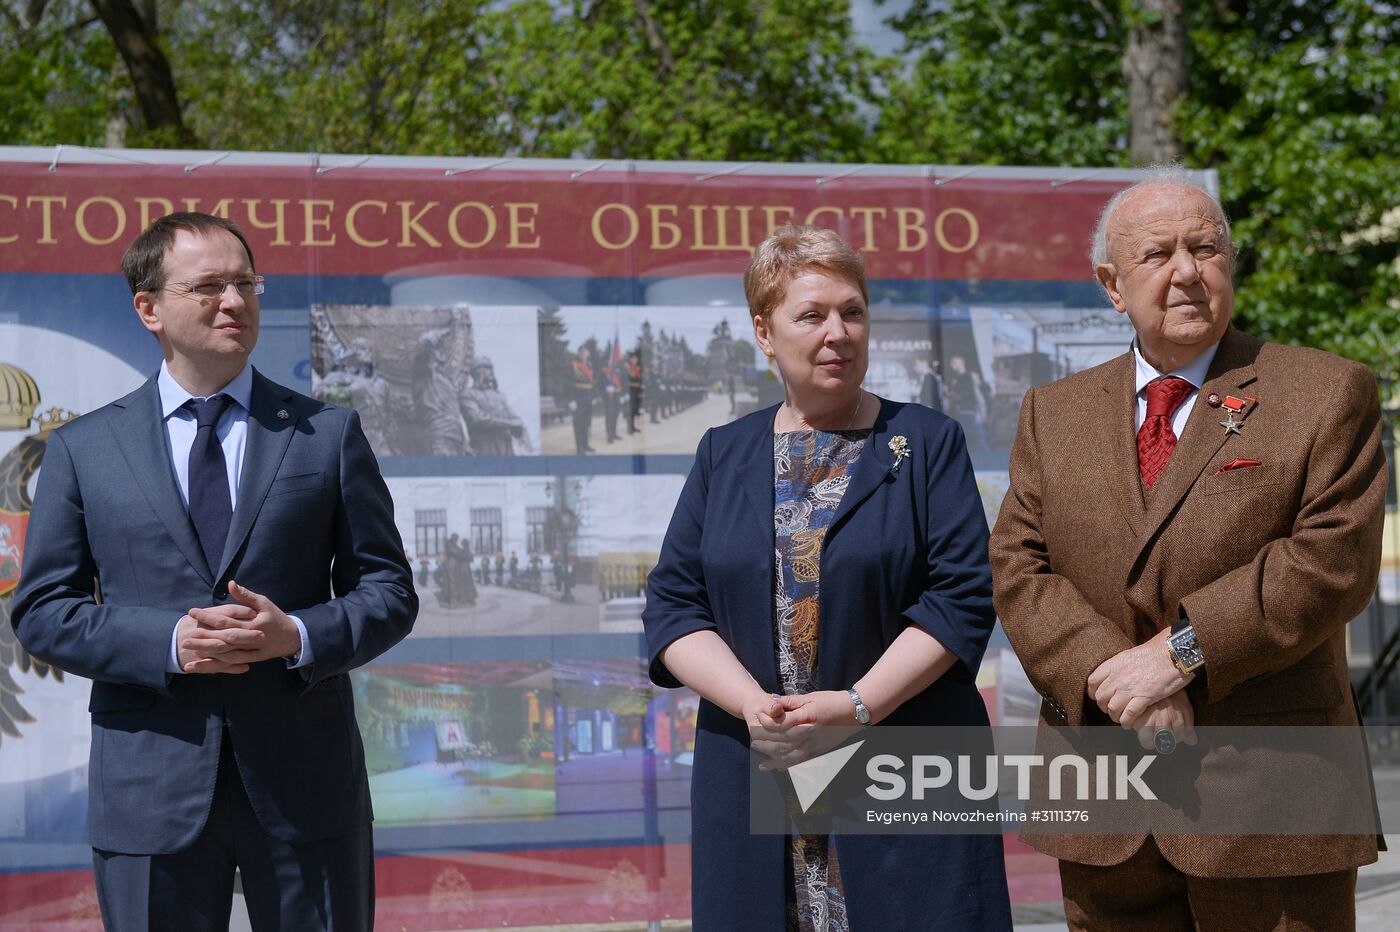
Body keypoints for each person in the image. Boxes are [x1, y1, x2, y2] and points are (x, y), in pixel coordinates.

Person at [989, 171, 1386, 930]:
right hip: (1103, 799)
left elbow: (1330, 563)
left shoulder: (1326, 391)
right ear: (1112, 284)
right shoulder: (1054, 413)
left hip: (1270, 802)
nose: (1186, 272)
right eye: (1158, 254)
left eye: (1206, 249)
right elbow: (1019, 567)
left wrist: (1178, 655)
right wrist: (1119, 679)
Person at [11, 212, 418, 930]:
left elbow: (388, 592)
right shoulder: (82, 449)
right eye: (208, 286)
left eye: (246, 283)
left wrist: (295, 633)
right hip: (150, 791)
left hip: (305, 788)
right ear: (149, 308)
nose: (235, 301)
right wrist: (171, 643)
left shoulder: (326, 436)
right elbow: (44, 611)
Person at [643, 225, 1011, 931]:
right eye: (812, 315)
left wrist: (856, 708)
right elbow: (673, 608)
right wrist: (754, 706)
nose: (838, 332)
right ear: (764, 331)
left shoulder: (928, 443)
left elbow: (962, 600)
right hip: (756, 773)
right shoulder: (724, 453)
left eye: (854, 311)